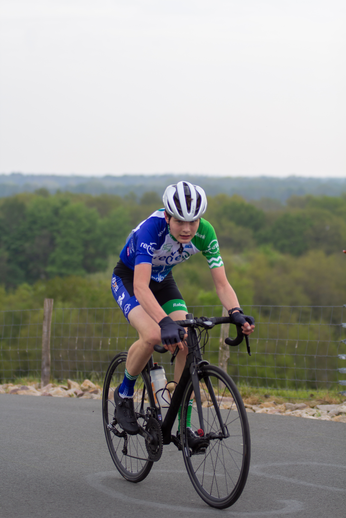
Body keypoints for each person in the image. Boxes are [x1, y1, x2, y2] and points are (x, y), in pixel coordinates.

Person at [111, 181, 255, 441]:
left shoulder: (206, 233)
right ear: (167, 216)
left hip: (163, 281)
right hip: (131, 279)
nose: (187, 228)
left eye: (194, 221)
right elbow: (142, 287)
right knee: (154, 334)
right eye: (179, 221)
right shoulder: (151, 230)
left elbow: (222, 283)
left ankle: (183, 423)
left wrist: (235, 311)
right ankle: (124, 393)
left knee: (186, 341)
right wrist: (164, 322)